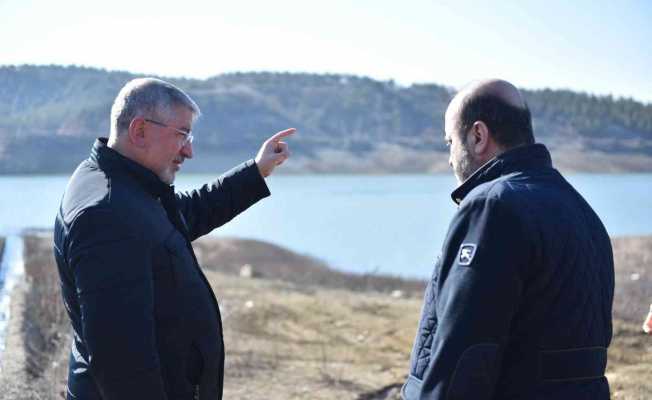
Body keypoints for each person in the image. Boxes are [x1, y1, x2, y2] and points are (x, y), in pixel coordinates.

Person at [53, 78, 294, 400]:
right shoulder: (108, 215)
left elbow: (185, 215)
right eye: (182, 135)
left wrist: (255, 171)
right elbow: (122, 364)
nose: (189, 151)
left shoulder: (125, 187)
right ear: (139, 131)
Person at [401, 79, 614, 400]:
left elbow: (465, 353)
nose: (448, 159)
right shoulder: (583, 212)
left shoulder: (493, 206)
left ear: (477, 136)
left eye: (449, 143)